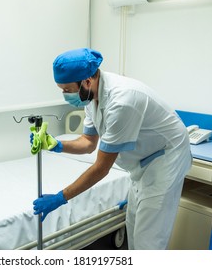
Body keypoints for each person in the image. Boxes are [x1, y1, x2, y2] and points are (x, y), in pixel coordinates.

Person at [32, 48, 192, 250]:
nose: (65, 95)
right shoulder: (90, 97)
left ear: (87, 81)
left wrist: (61, 197)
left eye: (67, 90)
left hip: (166, 159)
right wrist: (57, 145)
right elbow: (88, 142)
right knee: (134, 229)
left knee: (148, 242)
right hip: (142, 162)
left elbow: (101, 168)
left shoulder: (122, 101)